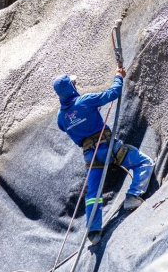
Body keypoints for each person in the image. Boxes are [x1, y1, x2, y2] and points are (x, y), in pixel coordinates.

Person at [53, 68, 154, 244]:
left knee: (93, 193)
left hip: (91, 157)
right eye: (74, 84)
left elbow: (68, 123)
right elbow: (113, 93)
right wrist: (118, 76)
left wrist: (85, 115)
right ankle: (132, 196)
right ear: (71, 87)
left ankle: (93, 232)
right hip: (108, 146)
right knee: (144, 163)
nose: (76, 85)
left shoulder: (61, 117)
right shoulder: (85, 101)